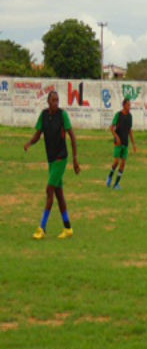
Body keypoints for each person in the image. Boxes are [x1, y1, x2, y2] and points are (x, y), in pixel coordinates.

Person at [23, 90, 81, 240]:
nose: (56, 103)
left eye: (57, 100)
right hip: (51, 159)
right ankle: (68, 227)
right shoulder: (43, 115)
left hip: (61, 158)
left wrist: (75, 159)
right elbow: (38, 134)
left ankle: (42, 228)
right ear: (48, 102)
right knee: (58, 194)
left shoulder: (62, 115)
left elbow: (72, 136)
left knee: (49, 190)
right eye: (53, 100)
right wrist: (30, 143)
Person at [107, 98, 137, 190]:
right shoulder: (118, 115)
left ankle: (116, 184)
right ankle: (110, 177)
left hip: (125, 143)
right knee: (116, 162)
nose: (129, 107)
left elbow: (130, 130)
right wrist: (116, 137)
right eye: (128, 105)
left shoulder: (130, 116)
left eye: (130, 105)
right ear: (124, 105)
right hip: (118, 143)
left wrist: (133, 144)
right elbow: (111, 128)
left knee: (123, 164)